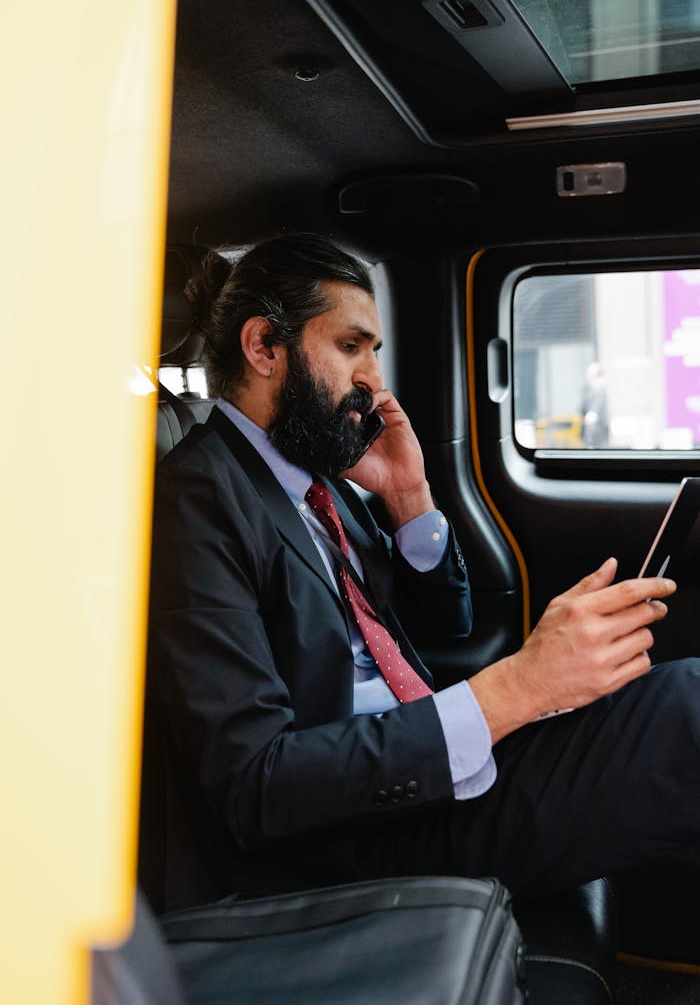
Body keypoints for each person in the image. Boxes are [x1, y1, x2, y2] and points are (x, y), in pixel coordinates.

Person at [143, 233, 699, 914]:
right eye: (351, 347)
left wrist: (410, 499)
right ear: (263, 348)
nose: (374, 380)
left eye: (375, 351)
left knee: (666, 695)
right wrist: (514, 691)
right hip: (344, 835)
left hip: (419, 769)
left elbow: (440, 630)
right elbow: (255, 783)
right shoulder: (195, 500)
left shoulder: (323, 482)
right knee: (688, 710)